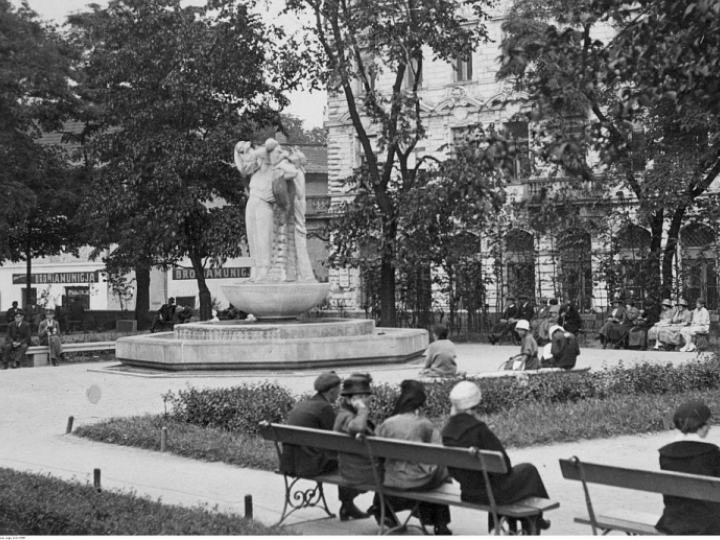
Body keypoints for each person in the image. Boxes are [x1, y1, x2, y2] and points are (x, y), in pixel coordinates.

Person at [441, 381, 551, 534]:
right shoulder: (478, 429)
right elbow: (504, 466)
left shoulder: (447, 431)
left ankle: (501, 526)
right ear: (475, 404)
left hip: (468, 492)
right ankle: (535, 520)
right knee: (528, 470)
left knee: (496, 481)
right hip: (490, 494)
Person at [280, 372, 368, 522]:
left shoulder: (304, 404)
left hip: (291, 463)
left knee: (341, 459)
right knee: (350, 462)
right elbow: (338, 440)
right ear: (332, 391)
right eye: (339, 388)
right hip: (309, 465)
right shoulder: (324, 408)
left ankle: (348, 505)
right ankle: (347, 505)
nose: (340, 392)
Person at [376, 380, 453, 535]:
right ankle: (440, 522)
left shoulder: (387, 423)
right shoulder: (424, 424)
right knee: (440, 469)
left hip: (392, 479)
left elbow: (378, 451)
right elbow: (439, 451)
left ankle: (381, 509)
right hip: (418, 481)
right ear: (419, 408)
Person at [334, 373, 397, 529]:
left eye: (366, 396)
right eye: (358, 397)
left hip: (351, 468)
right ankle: (383, 511)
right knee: (399, 472)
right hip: (365, 473)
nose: (364, 400)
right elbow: (357, 427)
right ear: (348, 400)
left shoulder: (345, 414)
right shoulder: (347, 417)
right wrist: (362, 409)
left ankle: (353, 506)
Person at [655, 400, 720, 535]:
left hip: (673, 522)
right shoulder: (712, 453)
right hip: (709, 526)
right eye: (707, 423)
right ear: (700, 427)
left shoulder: (665, 454)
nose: (709, 427)